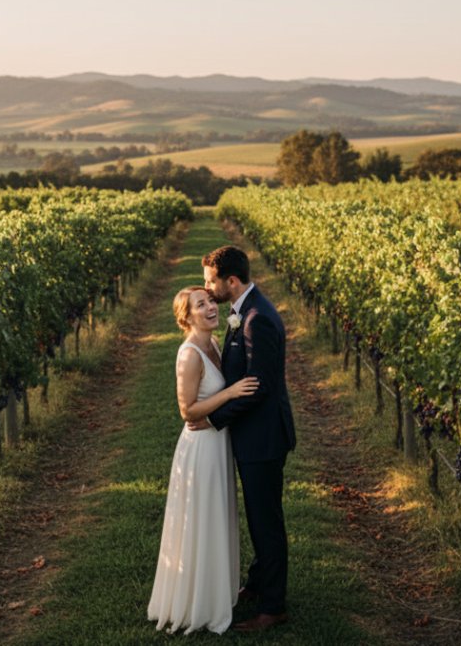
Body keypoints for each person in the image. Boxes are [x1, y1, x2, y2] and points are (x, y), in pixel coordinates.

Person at [195, 245, 296, 633]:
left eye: (211, 282)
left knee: (266, 521)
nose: (208, 288)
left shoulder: (257, 320)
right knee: (258, 515)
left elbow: (259, 388)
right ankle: (258, 583)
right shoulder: (244, 312)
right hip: (255, 436)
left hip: (264, 439)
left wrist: (214, 417)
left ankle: (273, 607)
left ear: (231, 281)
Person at [147, 286, 259, 635]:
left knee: (217, 517)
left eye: (211, 301)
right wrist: (229, 392)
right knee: (200, 520)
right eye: (201, 304)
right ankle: (196, 604)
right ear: (186, 316)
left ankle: (215, 595)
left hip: (217, 443)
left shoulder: (213, 344)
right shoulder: (190, 354)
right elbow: (187, 411)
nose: (211, 307)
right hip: (200, 448)